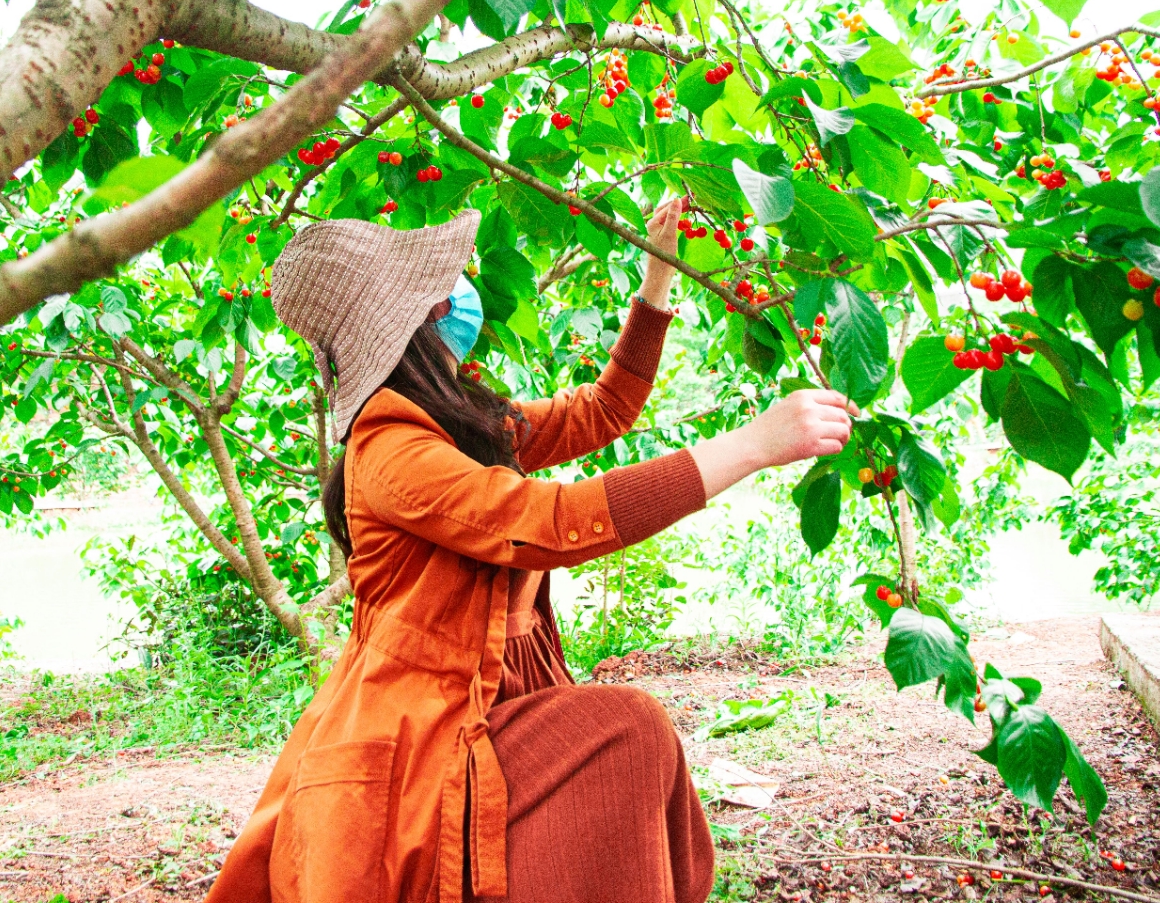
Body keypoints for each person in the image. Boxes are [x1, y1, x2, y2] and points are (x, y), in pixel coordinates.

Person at [204, 202, 857, 903]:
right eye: (437, 294)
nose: (456, 298)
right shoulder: (393, 449)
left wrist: (657, 277)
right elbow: (551, 520)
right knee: (627, 732)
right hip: (426, 726)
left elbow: (605, 409)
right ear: (412, 329)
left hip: (492, 698)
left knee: (616, 762)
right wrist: (753, 446)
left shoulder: (459, 423)